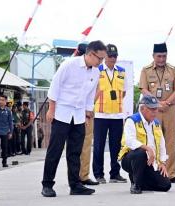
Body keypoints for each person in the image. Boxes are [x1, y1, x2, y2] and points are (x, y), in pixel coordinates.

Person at [41, 40, 107, 197]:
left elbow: (90, 95)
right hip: (62, 113)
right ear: (91, 54)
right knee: (55, 151)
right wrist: (51, 109)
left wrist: (89, 112)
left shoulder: (96, 72)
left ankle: (75, 185)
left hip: (78, 116)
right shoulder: (69, 65)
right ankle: (47, 185)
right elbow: (55, 86)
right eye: (100, 58)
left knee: (75, 152)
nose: (102, 62)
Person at [139, 43, 175, 183]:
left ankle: (171, 173)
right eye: (159, 56)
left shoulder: (173, 70)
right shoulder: (146, 70)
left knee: (170, 141)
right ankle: (154, 172)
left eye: (164, 56)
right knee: (153, 140)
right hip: (153, 110)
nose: (161, 59)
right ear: (153, 56)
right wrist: (156, 103)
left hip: (170, 109)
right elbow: (143, 89)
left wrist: (167, 102)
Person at [118, 95, 171, 194]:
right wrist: (147, 148)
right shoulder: (132, 120)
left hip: (149, 162)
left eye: (156, 109)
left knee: (165, 185)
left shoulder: (156, 123)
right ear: (142, 108)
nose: (155, 112)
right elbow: (129, 141)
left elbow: (162, 144)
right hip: (131, 159)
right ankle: (135, 184)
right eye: (152, 109)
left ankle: (141, 181)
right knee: (140, 152)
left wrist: (162, 163)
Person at [92, 44, 127, 184]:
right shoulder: (97, 70)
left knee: (116, 146)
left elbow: (123, 92)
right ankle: (98, 174)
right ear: (104, 56)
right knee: (99, 146)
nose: (112, 58)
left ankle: (115, 174)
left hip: (117, 115)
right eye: (110, 56)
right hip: (100, 114)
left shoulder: (122, 72)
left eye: (115, 56)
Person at [73, 42, 100, 186]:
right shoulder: (71, 67)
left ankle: (84, 175)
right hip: (72, 111)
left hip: (87, 111)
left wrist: (88, 108)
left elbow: (97, 90)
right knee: (74, 145)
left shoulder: (94, 71)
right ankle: (74, 176)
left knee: (87, 143)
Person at [0, 95, 13, 167]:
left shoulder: (8, 111)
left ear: (5, 101)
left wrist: (11, 132)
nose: (0, 101)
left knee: (4, 147)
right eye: (0, 100)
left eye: (2, 100)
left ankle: (4, 162)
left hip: (4, 132)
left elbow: (10, 122)